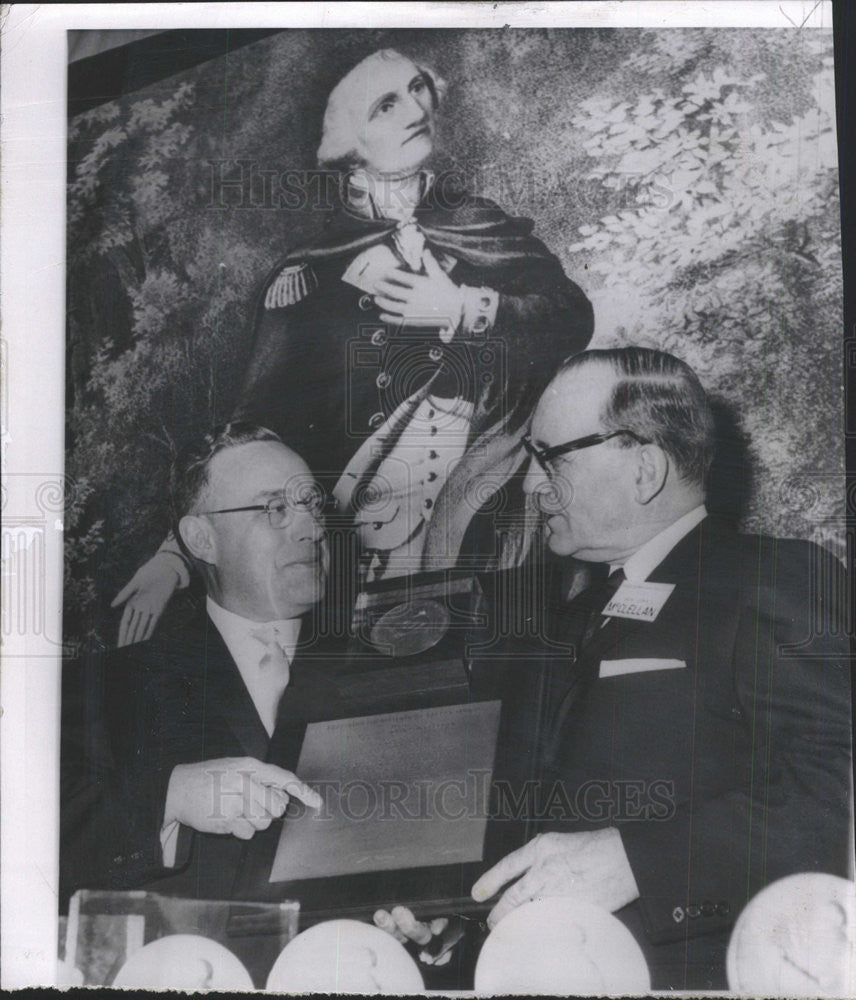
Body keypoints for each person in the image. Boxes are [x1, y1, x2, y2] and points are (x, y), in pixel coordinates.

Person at [380, 348, 853, 989]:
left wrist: (638, 862)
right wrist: (459, 918)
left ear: (645, 468)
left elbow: (838, 796)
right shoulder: (554, 622)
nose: (530, 485)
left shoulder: (773, 579)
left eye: (551, 458)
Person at [111, 46, 594, 646]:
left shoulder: (476, 220)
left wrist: (461, 308)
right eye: (385, 105)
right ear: (343, 142)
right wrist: (178, 555)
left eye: (418, 89)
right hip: (375, 529)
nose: (415, 109)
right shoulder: (307, 274)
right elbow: (257, 428)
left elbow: (569, 316)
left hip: (500, 486)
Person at [61, 423, 343, 905]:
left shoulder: (394, 661)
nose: (312, 529)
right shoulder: (104, 686)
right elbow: (30, 840)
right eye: (275, 509)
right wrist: (168, 797)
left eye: (312, 503)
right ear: (202, 539)